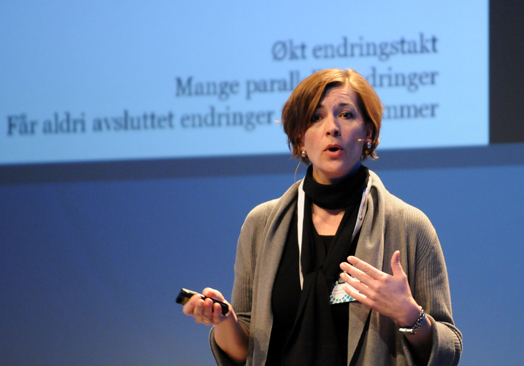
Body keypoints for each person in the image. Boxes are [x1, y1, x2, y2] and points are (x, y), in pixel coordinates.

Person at [182, 68, 462, 366]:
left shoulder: (409, 226)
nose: (332, 128)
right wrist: (223, 321)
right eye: (316, 117)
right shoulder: (261, 225)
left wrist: (410, 315)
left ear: (368, 132)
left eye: (346, 114)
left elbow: (449, 351)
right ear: (300, 138)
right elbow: (246, 353)